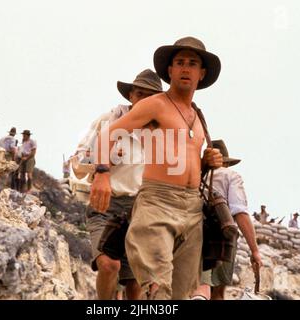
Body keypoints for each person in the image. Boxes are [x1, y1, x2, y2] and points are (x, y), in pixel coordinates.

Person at [90, 36, 223, 299]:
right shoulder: (156, 104)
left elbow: (183, 161)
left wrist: (206, 162)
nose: (186, 68)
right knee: (156, 289)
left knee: (180, 294)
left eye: (192, 63)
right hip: (157, 203)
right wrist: (102, 174)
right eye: (180, 62)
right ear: (170, 70)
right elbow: (107, 135)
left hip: (193, 210)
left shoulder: (198, 117)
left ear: (202, 73)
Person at [74, 69, 163, 300]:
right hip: (106, 204)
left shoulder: (161, 132)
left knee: (134, 282)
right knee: (108, 265)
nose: (144, 99)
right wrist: (103, 164)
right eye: (140, 93)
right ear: (131, 95)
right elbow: (78, 160)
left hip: (140, 209)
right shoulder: (109, 121)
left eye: (150, 96)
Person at [190, 140, 262, 300]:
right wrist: (254, 250)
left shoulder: (193, 176)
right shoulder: (231, 176)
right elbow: (240, 213)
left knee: (197, 287)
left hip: (191, 233)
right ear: (225, 163)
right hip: (222, 237)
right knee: (217, 293)